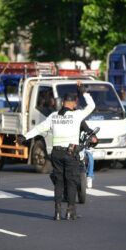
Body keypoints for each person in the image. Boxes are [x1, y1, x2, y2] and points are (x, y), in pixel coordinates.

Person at [18, 81, 95, 220]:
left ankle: (57, 212)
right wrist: (83, 91)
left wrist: (25, 136)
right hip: (71, 153)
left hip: (56, 154)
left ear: (63, 102)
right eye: (75, 103)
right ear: (72, 103)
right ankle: (70, 211)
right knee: (71, 182)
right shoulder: (77, 115)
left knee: (59, 182)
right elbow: (92, 106)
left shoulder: (53, 116)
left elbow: (38, 129)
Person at [80, 120, 98, 189]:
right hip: (73, 148)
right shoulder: (71, 129)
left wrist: (94, 139)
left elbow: (95, 139)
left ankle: (89, 177)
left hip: (83, 148)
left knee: (90, 157)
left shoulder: (87, 130)